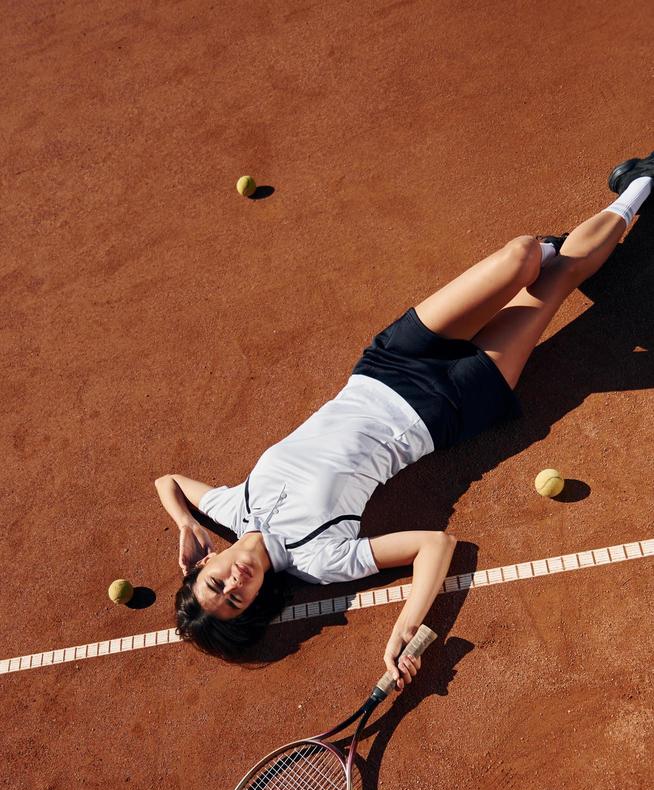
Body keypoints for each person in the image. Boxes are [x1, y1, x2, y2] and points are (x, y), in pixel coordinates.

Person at [155, 152, 653, 689]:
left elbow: (170, 481)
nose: (235, 582)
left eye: (215, 583)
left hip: (387, 365)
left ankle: (568, 241)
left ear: (202, 566)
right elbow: (436, 546)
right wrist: (405, 626)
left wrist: (186, 525)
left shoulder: (232, 508)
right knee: (558, 276)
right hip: (452, 404)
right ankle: (641, 186)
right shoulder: (318, 561)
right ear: (254, 602)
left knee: (522, 256)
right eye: (237, 599)